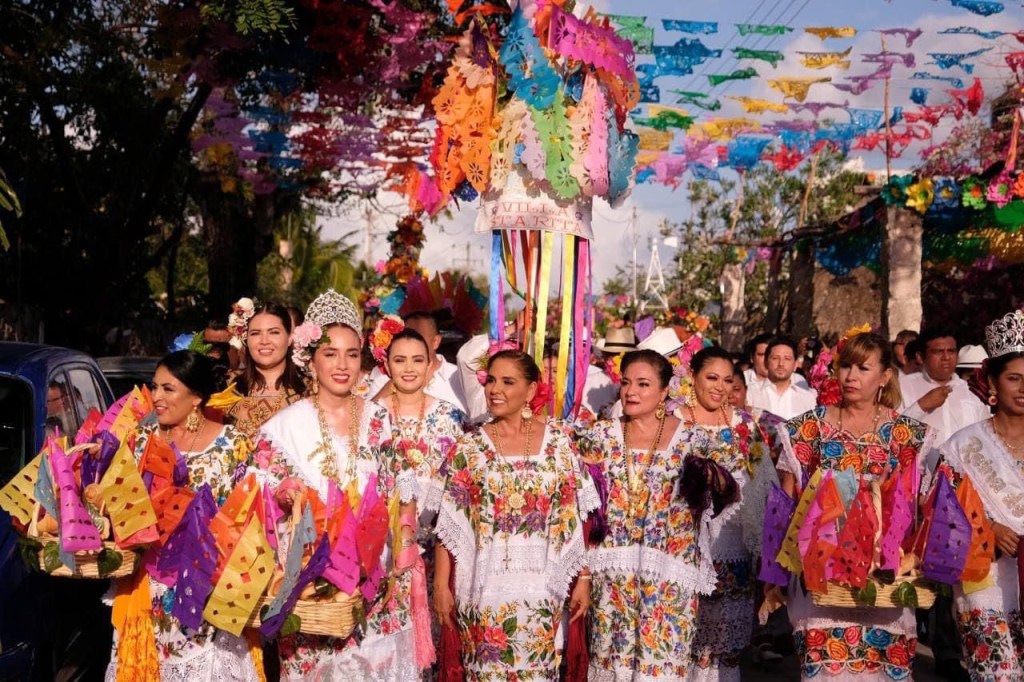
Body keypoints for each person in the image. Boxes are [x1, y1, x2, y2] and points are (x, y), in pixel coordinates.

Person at [252, 289, 419, 680]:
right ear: (311, 360)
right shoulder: (283, 429)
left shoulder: (379, 419)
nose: (342, 365)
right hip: (314, 588)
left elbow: (402, 492)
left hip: (376, 583)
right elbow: (260, 507)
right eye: (330, 354)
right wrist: (284, 495)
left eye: (352, 354)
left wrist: (405, 554)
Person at [432, 349, 597, 680]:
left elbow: (574, 518)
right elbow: (448, 523)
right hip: (483, 591)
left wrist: (582, 578)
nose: (495, 390)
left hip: (542, 591)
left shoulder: (558, 445)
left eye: (508, 382)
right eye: (491, 380)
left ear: (531, 390)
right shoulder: (469, 448)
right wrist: (440, 584)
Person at [778, 332, 931, 681]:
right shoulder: (809, 428)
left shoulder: (906, 434)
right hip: (822, 573)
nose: (851, 376)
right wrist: (780, 570)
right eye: (846, 366)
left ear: (885, 376)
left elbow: (917, 506)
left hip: (884, 575)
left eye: (863, 368)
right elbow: (788, 502)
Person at [104, 350, 257, 680]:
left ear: (197, 396)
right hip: (149, 585)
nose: (156, 397)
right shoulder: (139, 440)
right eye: (154, 387)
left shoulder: (233, 444)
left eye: (168, 388)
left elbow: (250, 514)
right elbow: (119, 506)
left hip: (208, 585)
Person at [584, 349, 719, 681]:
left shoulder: (692, 440)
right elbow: (583, 509)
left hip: (668, 578)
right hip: (613, 577)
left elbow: (720, 499)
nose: (631, 391)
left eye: (643, 384)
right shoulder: (600, 436)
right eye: (626, 382)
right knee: (612, 665)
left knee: (661, 666)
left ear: (663, 392)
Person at [932, 309, 1024, 682]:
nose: (1023, 388)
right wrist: (987, 526)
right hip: (983, 576)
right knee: (996, 674)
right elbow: (941, 513)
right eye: (1014, 378)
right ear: (993, 382)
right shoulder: (963, 445)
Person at [682, 347, 771, 682]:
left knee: (723, 652)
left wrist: (764, 545)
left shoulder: (744, 425)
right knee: (684, 641)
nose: (720, 387)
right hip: (683, 546)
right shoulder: (673, 421)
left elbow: (764, 483)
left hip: (733, 547)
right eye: (712, 378)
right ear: (693, 377)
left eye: (727, 380)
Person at [899, 328, 990, 472]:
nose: (946, 357)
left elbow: (988, 436)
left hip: (965, 476)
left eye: (951, 351)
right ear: (920, 357)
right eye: (938, 352)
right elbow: (891, 434)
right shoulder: (903, 387)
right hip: (918, 475)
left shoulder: (971, 391)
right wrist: (921, 406)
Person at [225, 302, 306, 439]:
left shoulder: (309, 390)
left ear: (289, 338)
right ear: (246, 339)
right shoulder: (225, 385)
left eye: (274, 332)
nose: (264, 341)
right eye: (255, 333)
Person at [370, 311, 468, 413]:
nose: (410, 342)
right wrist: (395, 381)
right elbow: (367, 416)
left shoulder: (459, 377)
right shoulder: (382, 380)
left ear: (436, 341)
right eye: (406, 336)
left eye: (418, 337)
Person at [747, 337, 818, 420]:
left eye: (787, 359)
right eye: (775, 358)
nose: (781, 364)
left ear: (795, 364)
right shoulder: (750, 393)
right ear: (766, 362)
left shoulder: (807, 398)